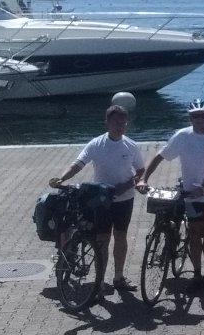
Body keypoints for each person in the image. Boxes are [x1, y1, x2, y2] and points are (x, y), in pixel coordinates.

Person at [49, 104, 145, 296]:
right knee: (102, 239)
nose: (120, 125)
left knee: (120, 236)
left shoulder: (131, 145)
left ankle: (118, 277)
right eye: (116, 121)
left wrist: (125, 186)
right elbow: (78, 164)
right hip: (101, 199)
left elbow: (141, 171)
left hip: (124, 199)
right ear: (107, 122)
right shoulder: (96, 144)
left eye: (123, 122)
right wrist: (62, 178)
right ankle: (99, 280)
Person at [139, 98, 204, 290]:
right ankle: (197, 275)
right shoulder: (182, 136)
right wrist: (143, 178)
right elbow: (159, 157)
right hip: (190, 196)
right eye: (196, 116)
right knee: (195, 233)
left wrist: (203, 187)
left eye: (203, 115)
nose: (200, 119)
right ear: (190, 117)